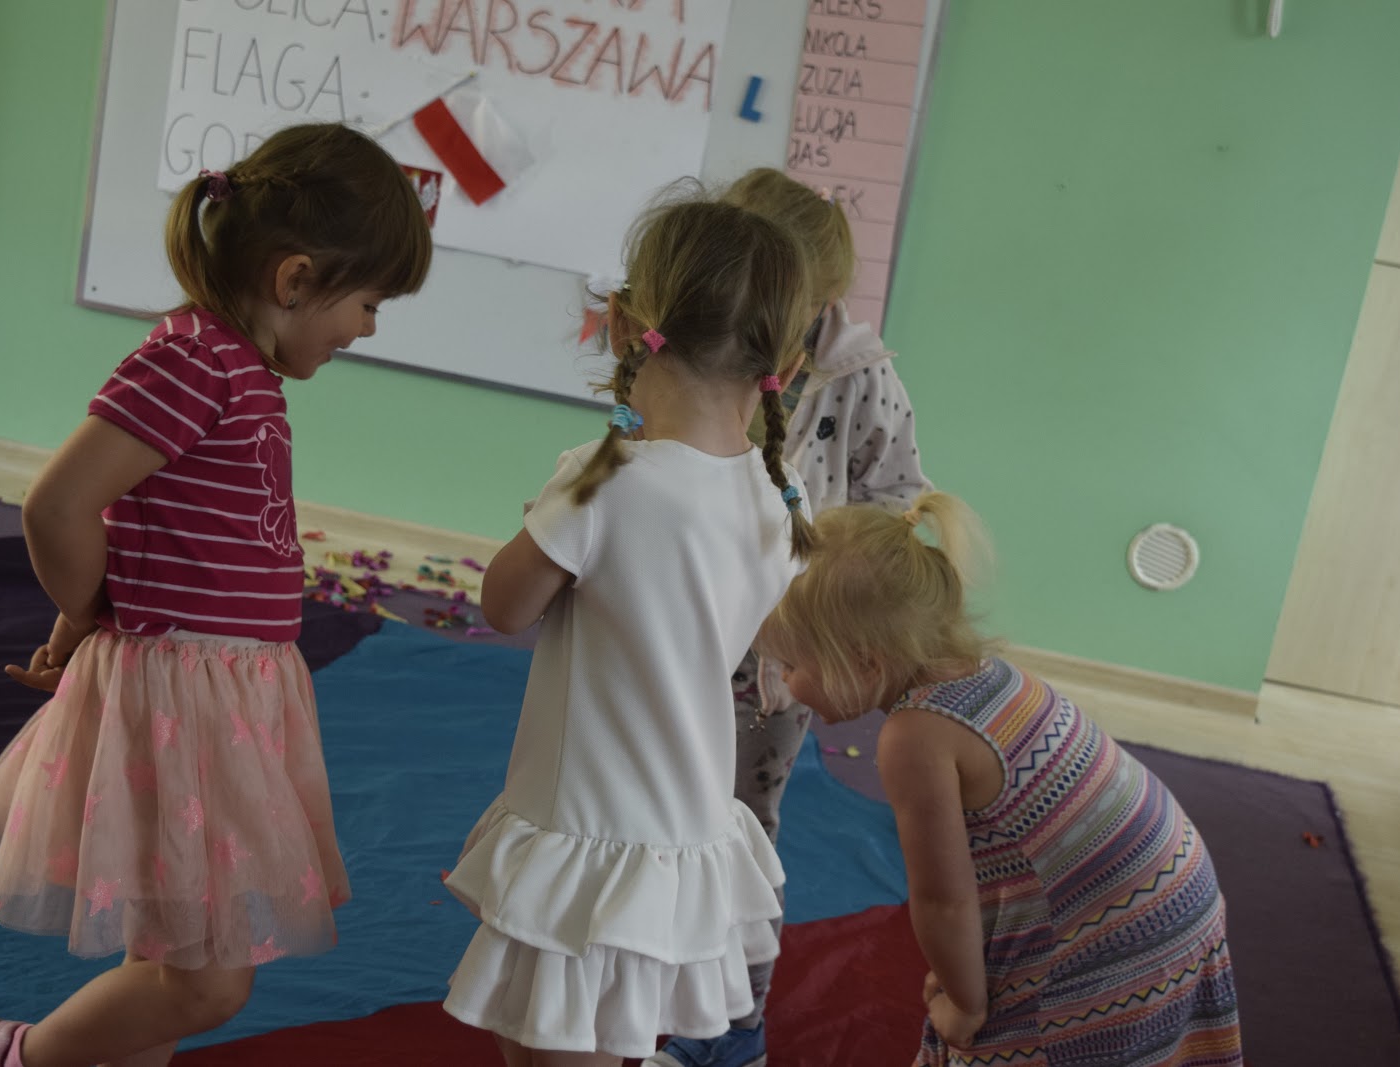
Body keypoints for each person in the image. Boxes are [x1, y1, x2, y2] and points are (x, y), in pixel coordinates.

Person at [0, 122, 432, 1067]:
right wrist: (91, 614)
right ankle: (25, 1057)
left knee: (171, 950)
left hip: (224, 699)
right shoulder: (194, 361)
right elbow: (60, 504)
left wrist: (93, 610)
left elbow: (143, 522)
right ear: (295, 279)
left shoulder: (239, 370)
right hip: (183, 700)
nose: (368, 329)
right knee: (209, 981)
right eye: (369, 304)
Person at [442, 188, 816, 1066]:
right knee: (579, 1034)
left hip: (592, 827)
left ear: (620, 325)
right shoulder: (781, 495)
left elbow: (504, 606)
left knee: (554, 1039)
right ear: (787, 366)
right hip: (678, 830)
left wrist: (549, 521)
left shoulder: (606, 479)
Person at [756, 496, 1243, 1066]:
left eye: (792, 665)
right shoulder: (990, 675)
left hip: (1121, 936)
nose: (784, 682)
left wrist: (965, 1002)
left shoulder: (915, 736)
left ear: (865, 663)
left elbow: (943, 901)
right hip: (1179, 888)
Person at [650, 167, 930, 1067]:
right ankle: (653, 991)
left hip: (772, 657)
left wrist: (829, 573)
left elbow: (900, 497)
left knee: (742, 826)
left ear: (819, 299)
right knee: (660, 813)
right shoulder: (705, 347)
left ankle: (733, 1026)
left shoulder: (859, 377)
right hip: (679, 635)